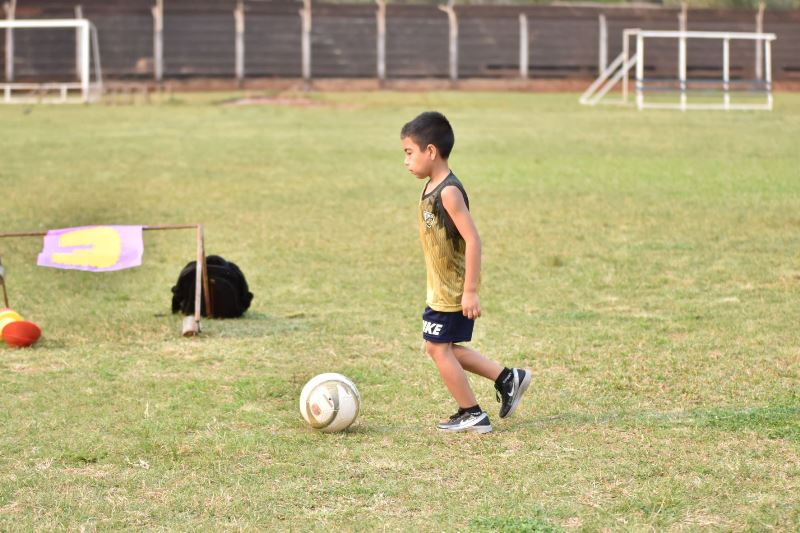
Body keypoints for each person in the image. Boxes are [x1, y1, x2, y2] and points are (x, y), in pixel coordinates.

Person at [401, 111, 532, 434]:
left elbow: (473, 240)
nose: (406, 161)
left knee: (436, 348)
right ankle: (507, 377)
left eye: (409, 152)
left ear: (430, 151)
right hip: (441, 287)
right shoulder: (431, 186)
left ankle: (471, 412)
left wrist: (470, 290)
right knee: (445, 347)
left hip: (453, 289)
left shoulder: (448, 191)